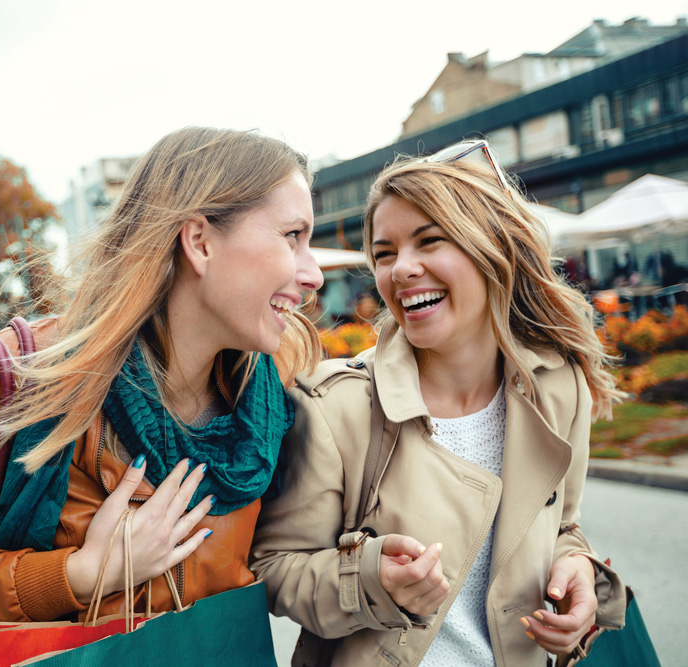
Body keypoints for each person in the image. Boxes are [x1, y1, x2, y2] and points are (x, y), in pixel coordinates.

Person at [0, 126, 324, 637]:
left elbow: (285, 560)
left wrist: (368, 576)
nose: (312, 273)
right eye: (293, 237)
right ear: (199, 241)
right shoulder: (17, 377)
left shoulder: (274, 397)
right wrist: (84, 574)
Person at [250, 140, 627, 667]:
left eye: (429, 241)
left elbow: (560, 523)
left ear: (491, 248)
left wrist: (578, 570)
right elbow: (275, 569)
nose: (401, 269)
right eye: (384, 254)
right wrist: (370, 580)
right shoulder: (333, 406)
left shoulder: (558, 385)